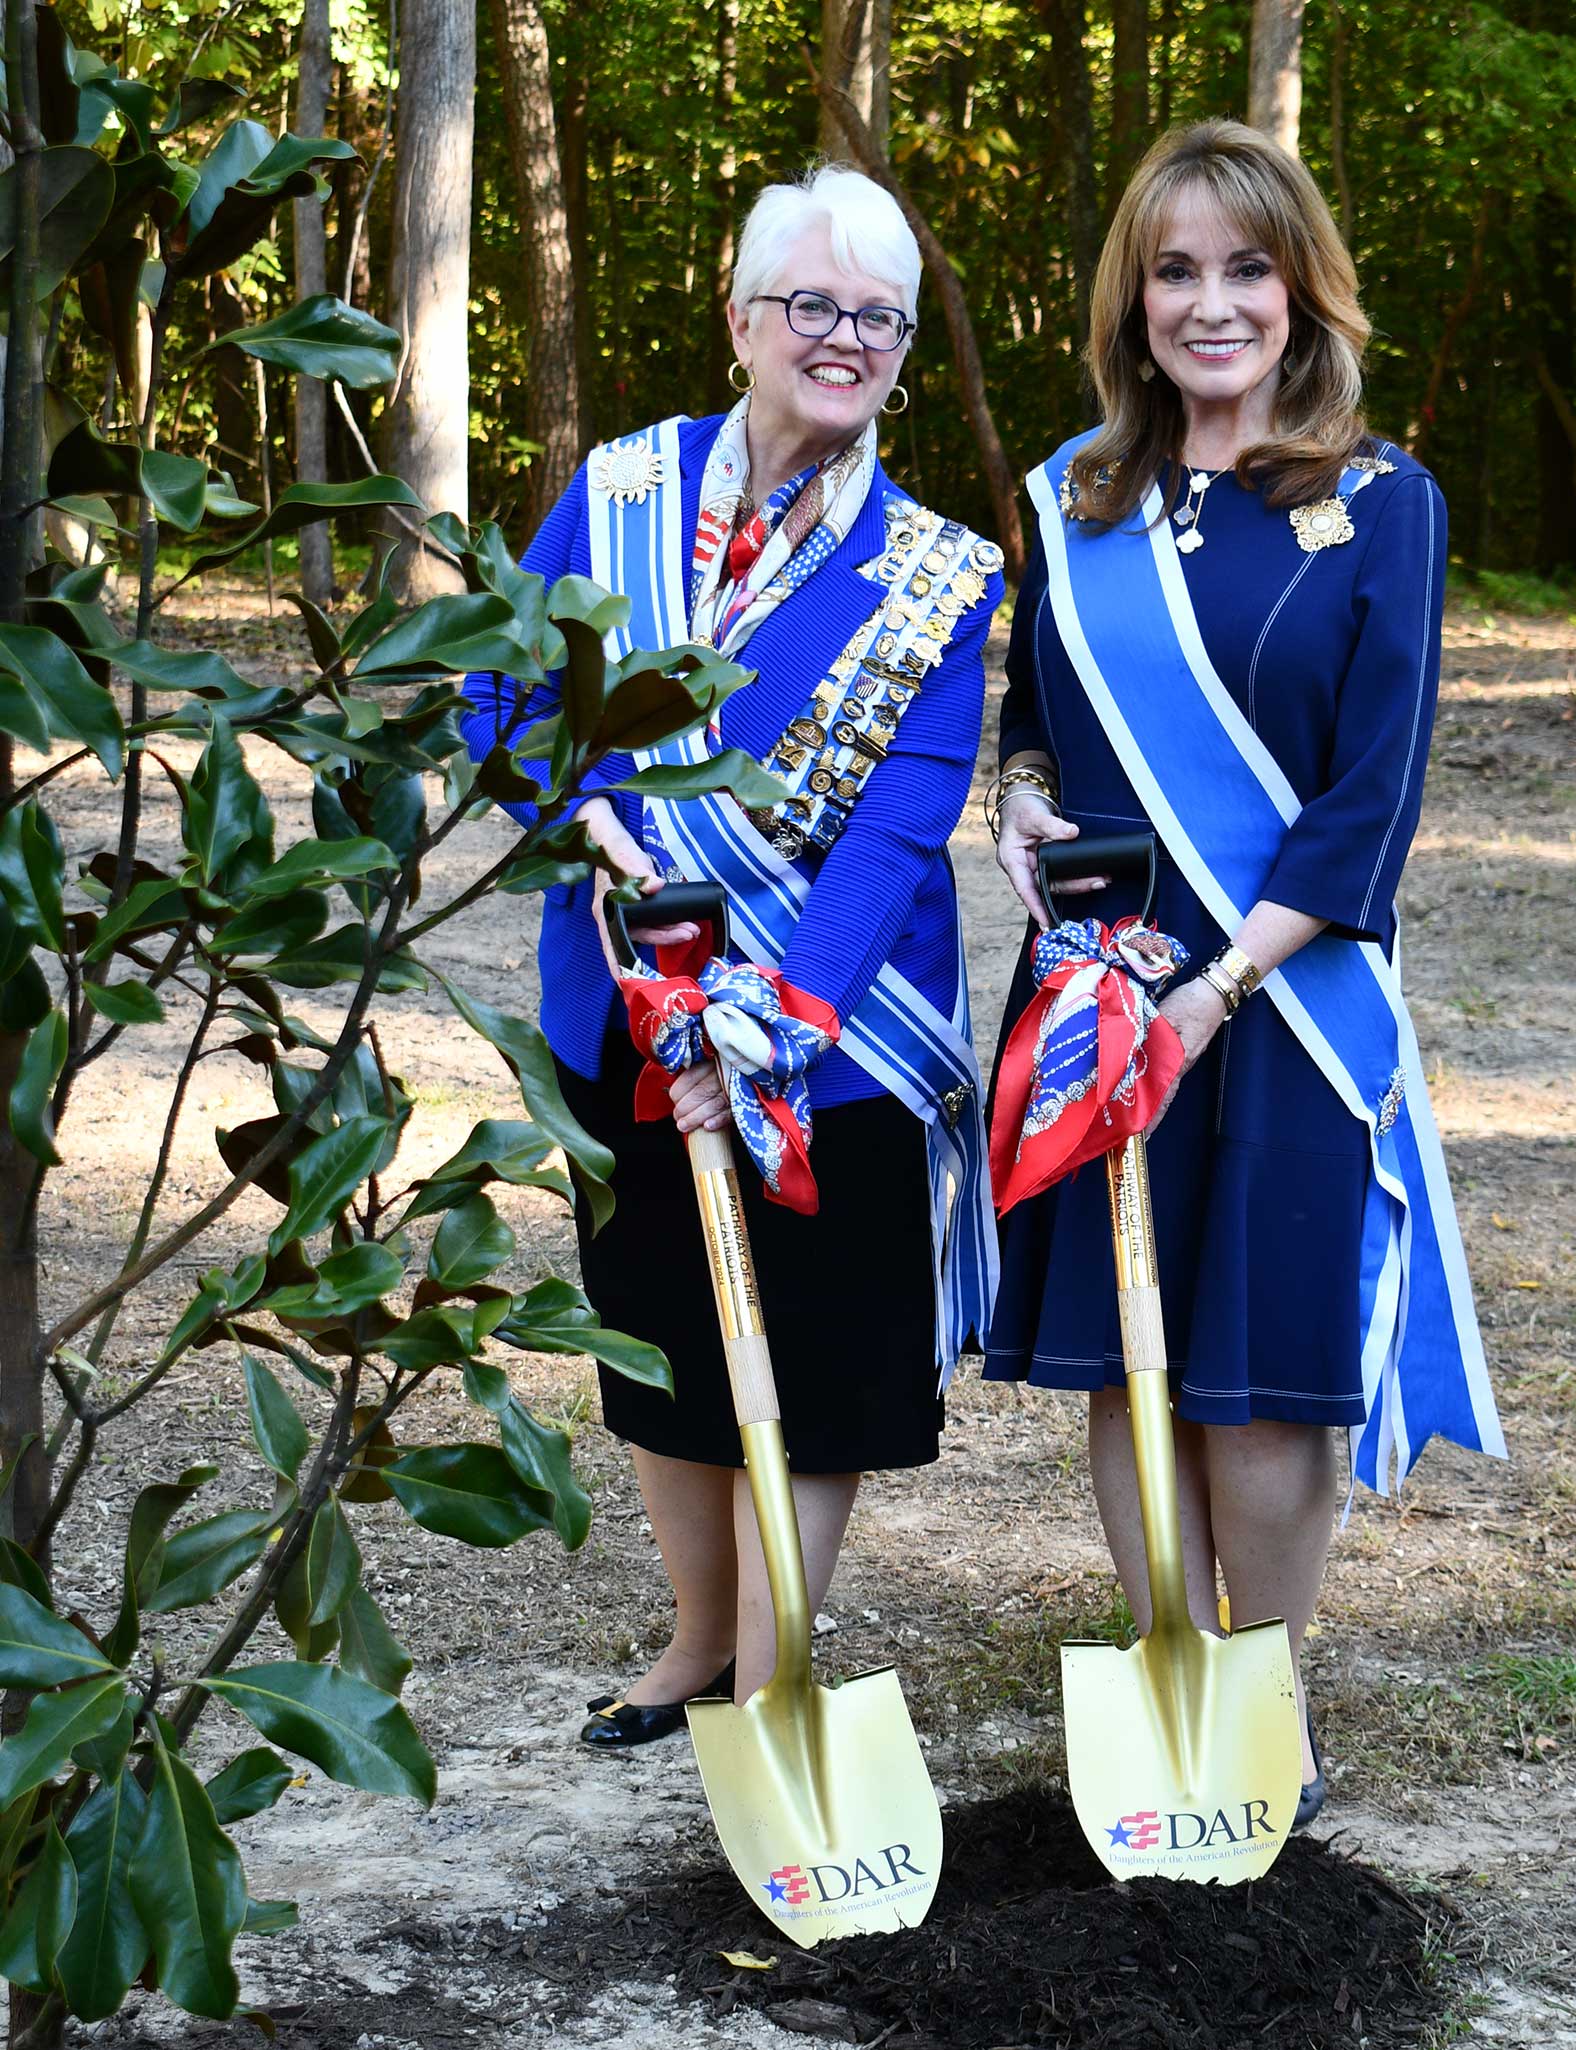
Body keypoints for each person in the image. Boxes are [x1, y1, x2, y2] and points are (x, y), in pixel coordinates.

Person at [984, 121, 1504, 1825]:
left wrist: (1218, 991)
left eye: (1247, 268)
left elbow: (1375, 794)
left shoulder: (1382, 502)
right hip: (1103, 993)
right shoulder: (1076, 500)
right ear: (1135, 300)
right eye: (1177, 270)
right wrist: (1022, 817)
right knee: (1130, 1362)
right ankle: (1162, 1677)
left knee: (1262, 1378)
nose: (1213, 303)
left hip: (1271, 1010)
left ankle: (1258, 1698)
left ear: (1302, 289)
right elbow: (1037, 738)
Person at [461, 164, 1002, 1747]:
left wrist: (769, 1023)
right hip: (619, 997)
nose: (845, 339)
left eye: (879, 317)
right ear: (741, 319)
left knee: (812, 1358)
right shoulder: (622, 493)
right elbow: (502, 697)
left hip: (827, 1026)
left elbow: (906, 822)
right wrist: (587, 824)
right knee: (663, 1333)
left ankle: (777, 1679)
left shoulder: (939, 571)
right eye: (814, 305)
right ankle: (699, 1641)